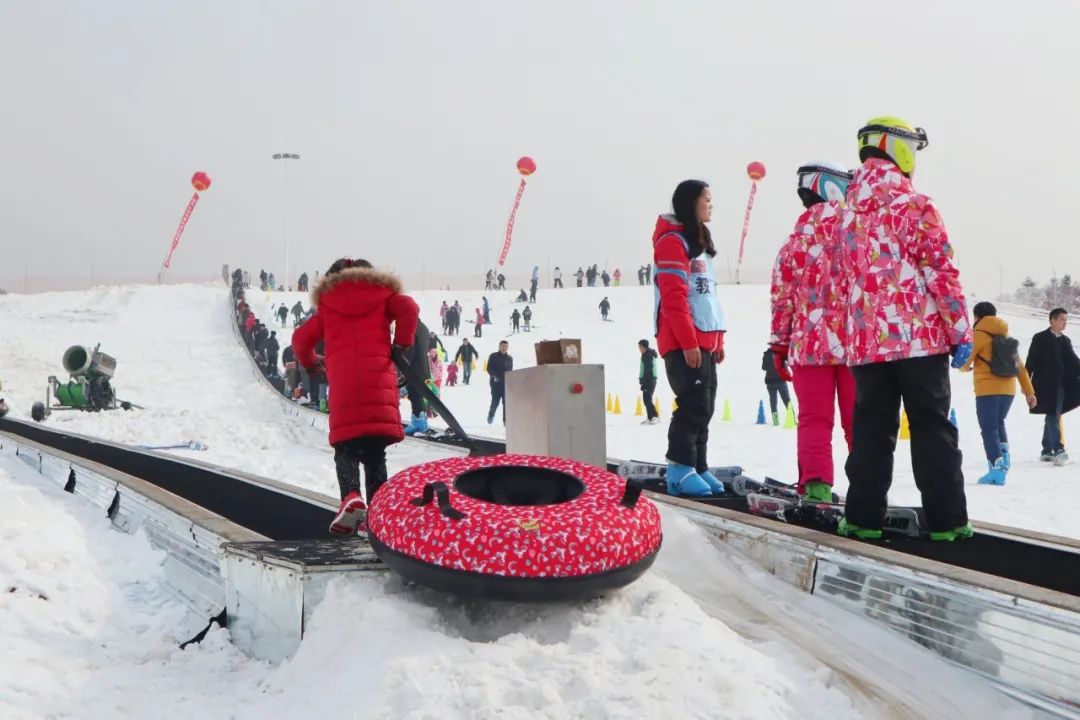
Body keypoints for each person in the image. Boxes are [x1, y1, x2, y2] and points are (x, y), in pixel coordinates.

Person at [839, 117, 973, 542]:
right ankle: (948, 522)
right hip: (919, 342)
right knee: (931, 428)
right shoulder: (917, 207)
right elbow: (941, 272)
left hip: (868, 346)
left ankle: (862, 518)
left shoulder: (846, 216)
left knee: (872, 432)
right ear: (896, 149)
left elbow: (845, 281)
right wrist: (960, 331)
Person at [291, 257, 419, 535]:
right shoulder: (384, 294)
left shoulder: (327, 306)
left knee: (346, 447)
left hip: (345, 387)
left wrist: (312, 363)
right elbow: (409, 308)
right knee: (375, 454)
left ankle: (350, 496)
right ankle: (376, 514)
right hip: (378, 384)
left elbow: (300, 340)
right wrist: (403, 344)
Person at [769, 162, 856, 501]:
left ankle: (817, 487)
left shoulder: (793, 245)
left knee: (814, 420)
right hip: (855, 349)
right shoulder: (857, 234)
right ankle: (867, 487)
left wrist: (779, 346)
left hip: (808, 349)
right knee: (859, 422)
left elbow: (782, 300)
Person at [653, 179, 727, 497]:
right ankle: (680, 469)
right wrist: (688, 342)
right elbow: (674, 298)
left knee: (705, 406)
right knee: (692, 405)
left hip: (703, 341)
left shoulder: (699, 242)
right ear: (689, 203)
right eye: (706, 199)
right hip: (684, 342)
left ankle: (699, 465)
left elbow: (708, 295)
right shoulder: (673, 242)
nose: (710, 204)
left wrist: (717, 340)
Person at [959, 302, 1037, 483]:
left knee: (988, 429)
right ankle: (1004, 461)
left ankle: (996, 470)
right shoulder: (1005, 336)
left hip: (987, 389)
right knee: (998, 424)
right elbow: (1021, 367)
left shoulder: (977, 335)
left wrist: (964, 368)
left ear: (977, 316)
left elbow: (966, 359)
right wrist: (1029, 392)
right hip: (1008, 390)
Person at [1026, 307, 1080, 465]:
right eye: (1062, 319)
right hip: (1044, 386)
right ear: (1052, 320)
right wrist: (1027, 386)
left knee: (1053, 414)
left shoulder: (1065, 340)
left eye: (1066, 319)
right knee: (1052, 415)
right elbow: (1031, 362)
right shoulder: (1040, 338)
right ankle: (1058, 449)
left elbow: (1074, 361)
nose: (1065, 323)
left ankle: (1047, 450)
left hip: (1062, 385)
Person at [761, 347, 792, 425]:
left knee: (773, 400)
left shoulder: (766, 354)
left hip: (770, 381)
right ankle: (792, 417)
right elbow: (784, 367)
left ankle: (775, 418)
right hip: (780, 380)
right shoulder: (780, 354)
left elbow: (764, 368)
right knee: (786, 400)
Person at [486, 340, 513, 424]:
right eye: (503, 346)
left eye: (506, 346)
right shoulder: (493, 356)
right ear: (499, 347)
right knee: (495, 402)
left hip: (506, 384)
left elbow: (510, 370)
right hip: (496, 384)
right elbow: (489, 368)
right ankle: (491, 415)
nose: (504, 348)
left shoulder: (510, 358)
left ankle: (506, 421)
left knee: (506, 403)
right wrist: (494, 376)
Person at [638, 339, 660, 425]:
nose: (639, 349)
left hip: (650, 380)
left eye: (640, 347)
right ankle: (650, 417)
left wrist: (645, 382)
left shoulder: (648, 355)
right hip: (649, 380)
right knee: (646, 399)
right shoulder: (646, 355)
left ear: (644, 347)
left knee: (647, 399)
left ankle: (655, 416)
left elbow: (648, 370)